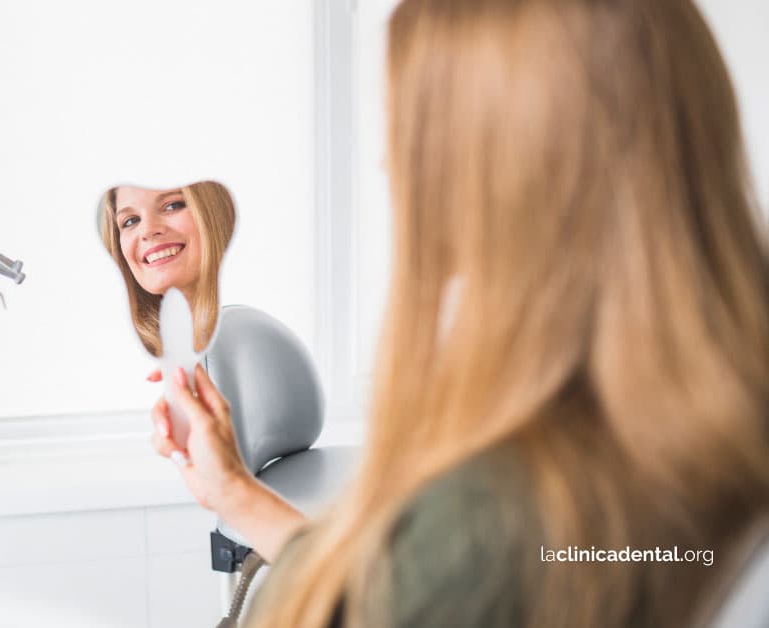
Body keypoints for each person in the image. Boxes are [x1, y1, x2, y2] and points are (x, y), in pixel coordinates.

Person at [148, 0, 769, 626]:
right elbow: (398, 590)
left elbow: (393, 595)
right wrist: (236, 493)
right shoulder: (702, 427)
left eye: (409, 129)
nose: (390, 164)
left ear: (506, 166)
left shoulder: (501, 506)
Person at [98, 181, 236, 355]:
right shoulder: (120, 352)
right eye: (131, 221)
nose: (147, 230)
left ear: (214, 213)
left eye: (172, 206)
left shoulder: (240, 333)